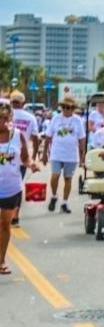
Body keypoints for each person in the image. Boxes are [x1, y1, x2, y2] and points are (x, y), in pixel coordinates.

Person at [0, 99, 39, 275]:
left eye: (5, 118)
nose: (1, 122)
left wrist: (31, 164)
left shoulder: (17, 135)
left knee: (4, 225)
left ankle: (1, 261)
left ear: (10, 118)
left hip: (11, 188)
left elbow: (24, 158)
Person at [42, 95, 86, 214]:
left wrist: (83, 156)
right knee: (55, 176)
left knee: (68, 178)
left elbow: (82, 139)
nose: (67, 109)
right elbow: (48, 137)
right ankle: (54, 196)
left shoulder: (78, 121)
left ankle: (65, 203)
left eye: (70, 108)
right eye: (65, 107)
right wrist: (44, 154)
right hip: (56, 153)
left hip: (71, 155)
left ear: (73, 109)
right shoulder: (56, 119)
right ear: (62, 107)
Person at [9, 91, 38, 227]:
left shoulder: (5, 116)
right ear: (24, 104)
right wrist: (34, 156)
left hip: (5, 156)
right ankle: (15, 216)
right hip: (21, 157)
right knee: (17, 187)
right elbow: (35, 138)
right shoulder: (30, 118)